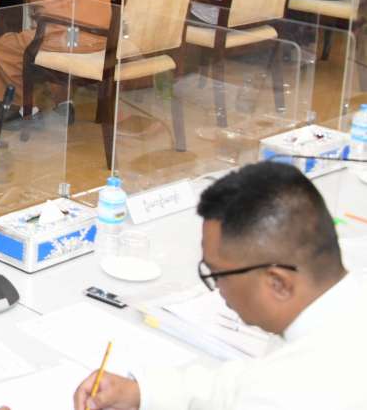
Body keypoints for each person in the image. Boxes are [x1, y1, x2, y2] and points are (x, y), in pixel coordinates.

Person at [72, 161, 364, 410]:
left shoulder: (287, 394)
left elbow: (262, 388)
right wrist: (144, 393)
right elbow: (242, 381)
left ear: (278, 283)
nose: (216, 290)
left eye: (218, 274)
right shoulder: (342, 309)